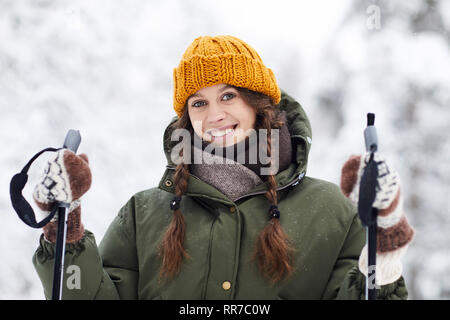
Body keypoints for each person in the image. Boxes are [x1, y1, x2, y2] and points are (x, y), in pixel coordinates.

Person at [32, 35, 414, 299]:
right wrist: (64, 227)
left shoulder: (329, 210)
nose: (215, 114)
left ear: (258, 103)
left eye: (228, 95)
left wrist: (385, 236)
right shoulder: (144, 212)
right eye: (198, 103)